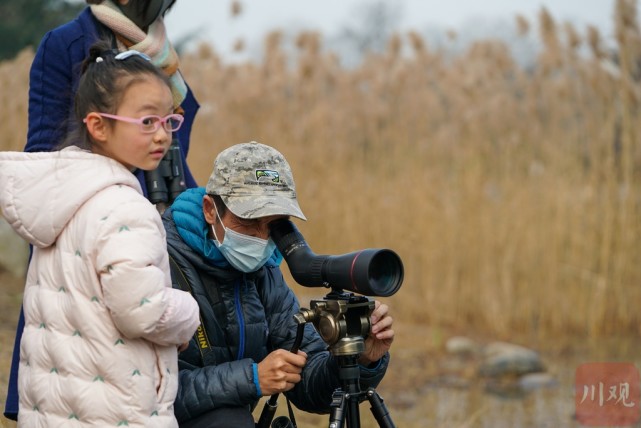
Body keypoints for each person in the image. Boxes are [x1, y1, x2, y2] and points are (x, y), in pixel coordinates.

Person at [4, 1, 201, 420]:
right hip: (92, 235)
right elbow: (44, 151)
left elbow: (179, 164)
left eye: (169, 121)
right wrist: (188, 310)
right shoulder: (65, 44)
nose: (162, 133)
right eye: (150, 121)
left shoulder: (162, 51)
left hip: (151, 237)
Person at [162, 142, 395, 427]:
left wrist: (359, 359)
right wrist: (254, 378)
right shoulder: (160, 261)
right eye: (248, 222)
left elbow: (311, 386)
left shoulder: (265, 272)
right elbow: (152, 390)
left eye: (274, 226)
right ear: (210, 210)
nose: (261, 238)